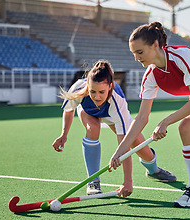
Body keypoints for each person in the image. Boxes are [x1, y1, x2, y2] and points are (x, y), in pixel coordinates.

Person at [109, 22, 190, 207]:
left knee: (186, 127)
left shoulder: (182, 56)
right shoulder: (150, 76)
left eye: (140, 52)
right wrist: (119, 152)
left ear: (155, 45)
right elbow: (141, 118)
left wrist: (165, 122)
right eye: (133, 53)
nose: (136, 58)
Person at [52, 60, 176, 198]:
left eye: (101, 92)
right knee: (92, 129)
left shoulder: (117, 101)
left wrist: (127, 181)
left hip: (112, 115)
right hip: (89, 112)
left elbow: (125, 143)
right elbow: (69, 110)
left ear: (110, 87)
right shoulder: (78, 89)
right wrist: (64, 134)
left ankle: (154, 170)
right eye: (92, 91)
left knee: (142, 149)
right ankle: (93, 181)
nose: (96, 96)